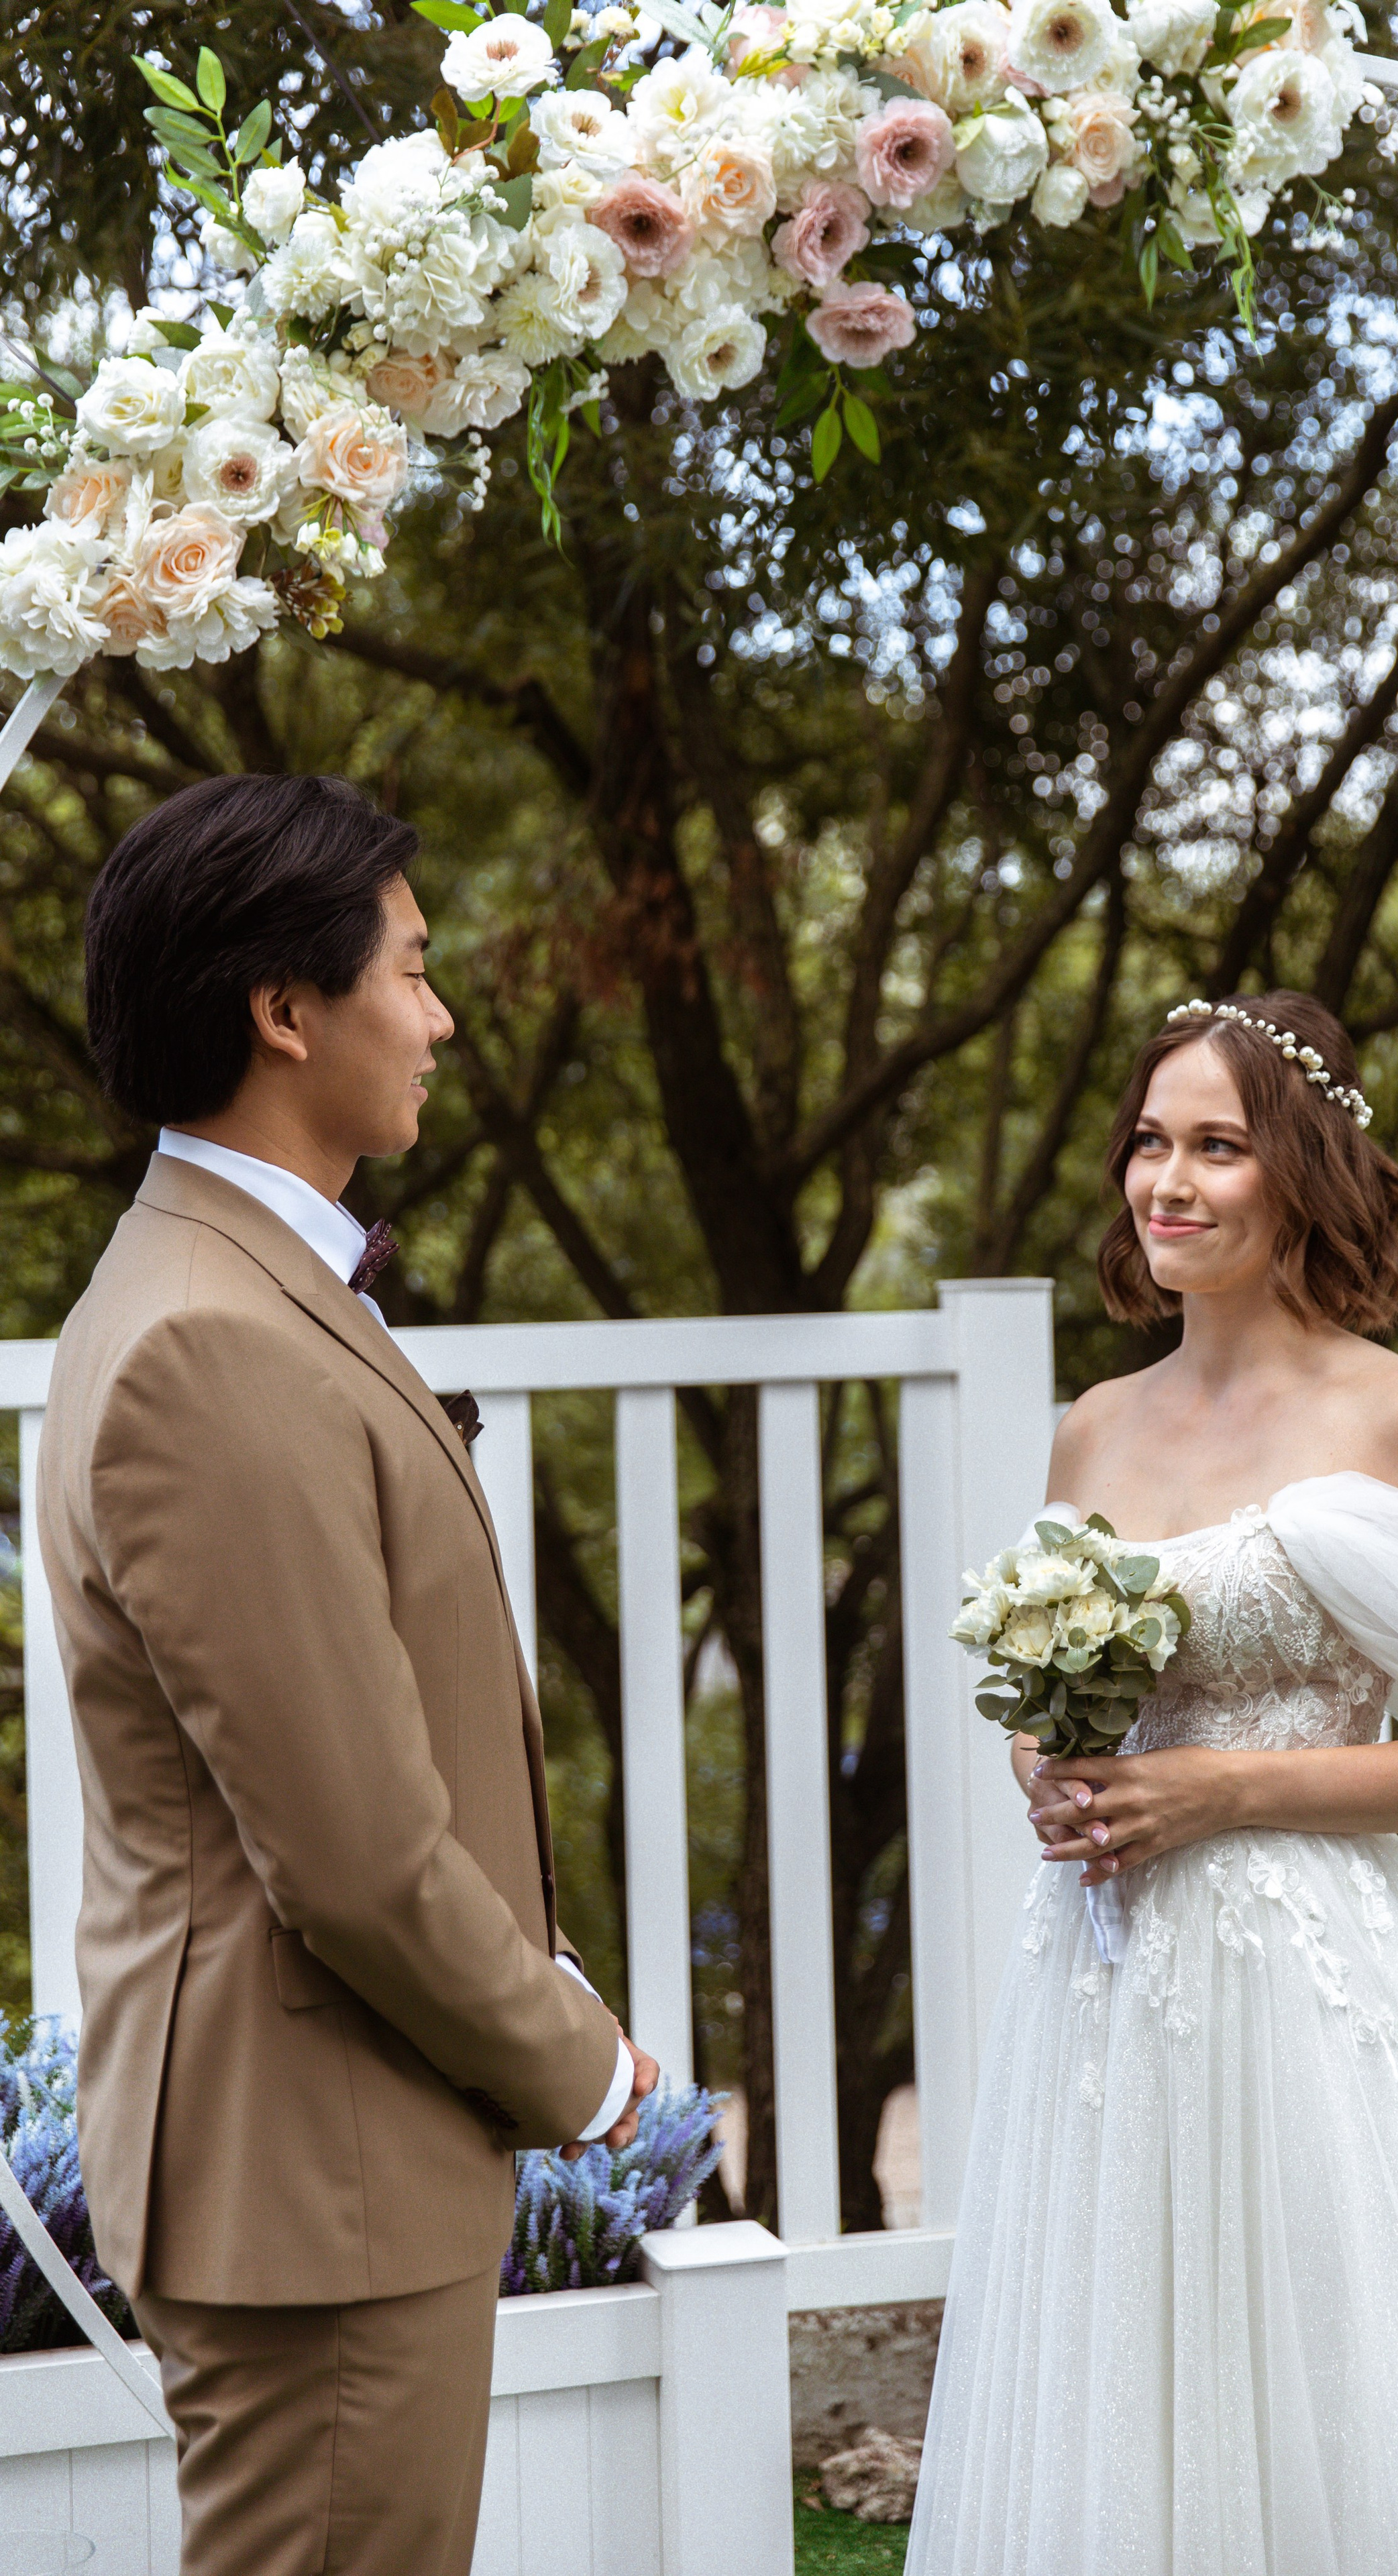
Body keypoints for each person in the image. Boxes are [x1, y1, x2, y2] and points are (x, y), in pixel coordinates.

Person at [904, 992, 1398, 2576]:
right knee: (1117, 2378)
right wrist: (1052, 1770)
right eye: (1148, 1144)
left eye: (1216, 1148)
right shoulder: (1091, 1427)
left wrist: (1223, 1794)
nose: (1165, 1182)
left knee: (1331, 2375)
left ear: (1296, 1171)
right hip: (1100, 1979)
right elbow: (1050, 1698)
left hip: (1307, 1978)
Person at [36, 773, 657, 2576]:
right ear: (285, 1011)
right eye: (411, 965)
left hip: (332, 2166)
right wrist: (584, 2062)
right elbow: (356, 1851)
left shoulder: (222, 1287)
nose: (444, 1015)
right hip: (314, 2182)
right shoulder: (207, 1345)